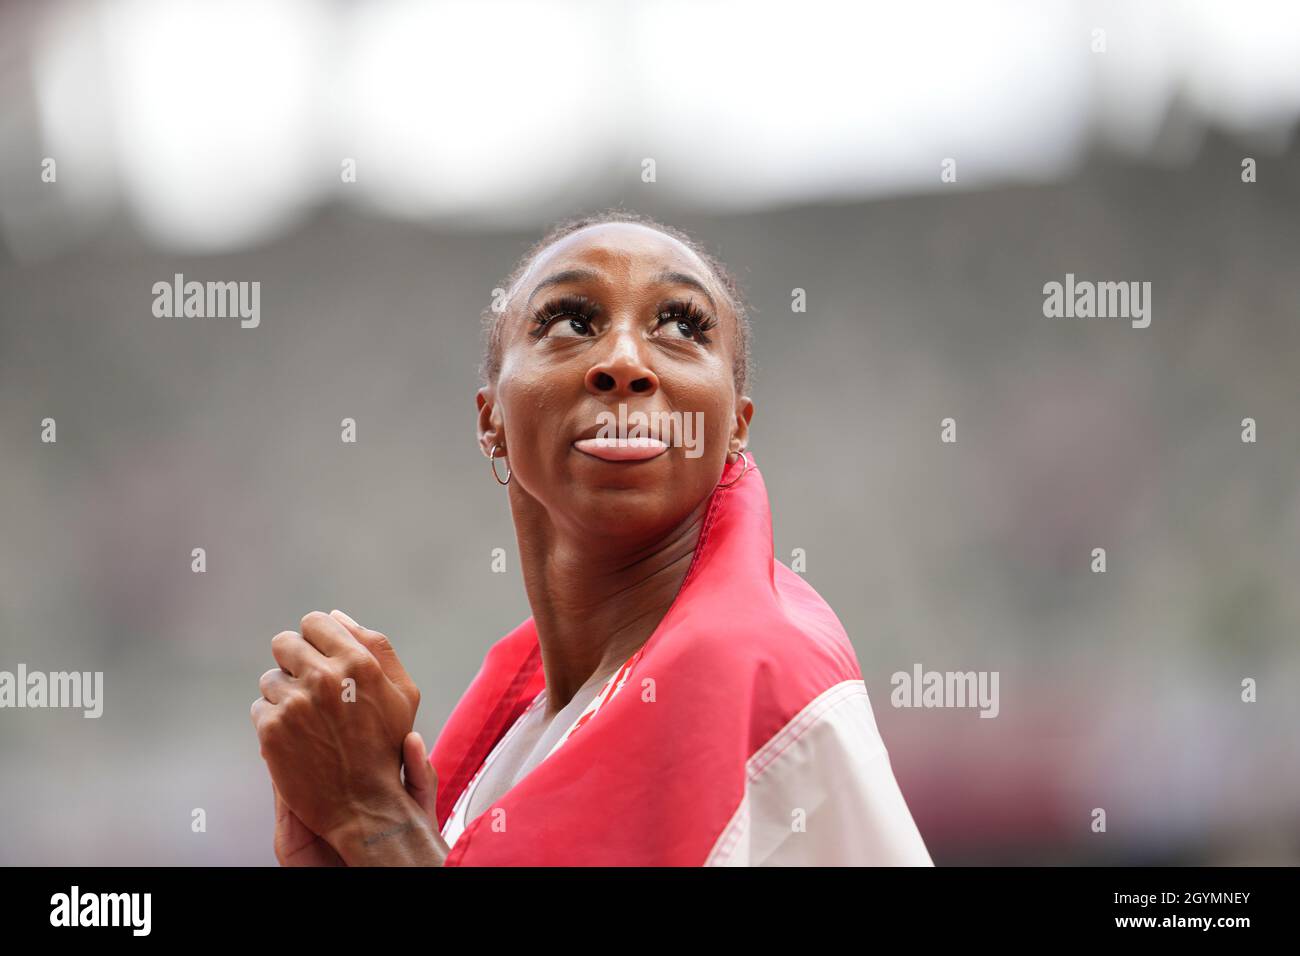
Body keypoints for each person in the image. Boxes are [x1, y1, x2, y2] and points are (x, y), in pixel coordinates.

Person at [251, 209, 933, 866]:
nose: (625, 362)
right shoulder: (500, 744)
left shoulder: (772, 688)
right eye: (571, 321)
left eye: (681, 326)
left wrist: (374, 819)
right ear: (490, 418)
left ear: (735, 426)